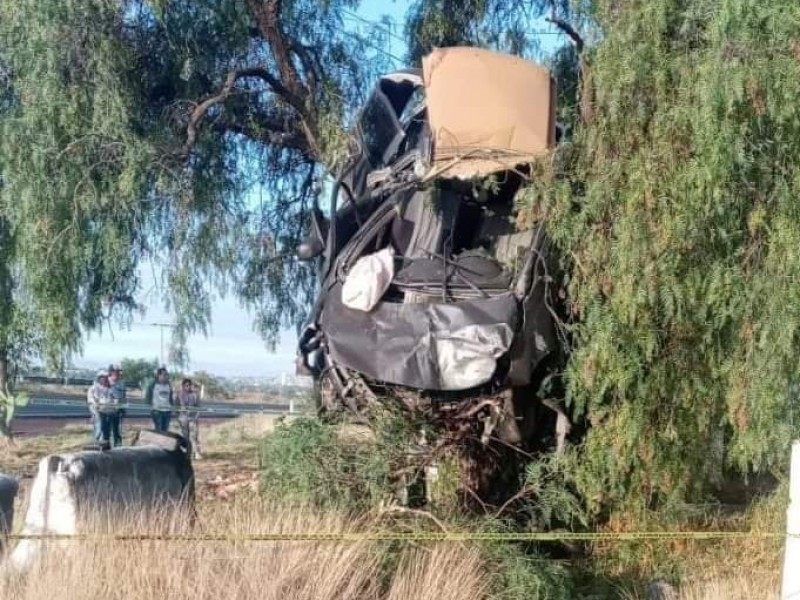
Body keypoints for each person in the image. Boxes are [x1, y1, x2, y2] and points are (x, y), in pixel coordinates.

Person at [87, 371, 119, 447]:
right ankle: (98, 445)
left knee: (106, 429)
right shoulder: (93, 388)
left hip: (108, 411)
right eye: (103, 377)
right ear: (99, 378)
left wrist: (115, 404)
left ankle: (106, 445)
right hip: (97, 411)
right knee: (99, 427)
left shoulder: (110, 389)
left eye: (105, 378)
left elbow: (115, 398)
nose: (104, 379)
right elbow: (91, 400)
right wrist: (96, 405)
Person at [176, 378, 202, 460]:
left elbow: (198, 407)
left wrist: (196, 417)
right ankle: (188, 453)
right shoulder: (179, 395)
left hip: (192, 418)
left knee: (194, 436)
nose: (188, 387)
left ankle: (197, 452)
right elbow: (176, 407)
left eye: (189, 385)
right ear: (183, 386)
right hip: (183, 418)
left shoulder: (194, 395)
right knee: (185, 437)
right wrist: (179, 417)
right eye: (186, 385)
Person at [145, 367, 173, 432]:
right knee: (158, 430)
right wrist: (152, 407)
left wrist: (171, 406)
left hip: (167, 411)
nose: (166, 376)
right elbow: (148, 397)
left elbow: (170, 397)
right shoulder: (152, 385)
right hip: (157, 411)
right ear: (159, 375)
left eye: (167, 375)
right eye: (164, 375)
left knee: (165, 430)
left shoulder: (169, 385)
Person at [107, 364, 126, 447]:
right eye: (116, 371)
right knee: (106, 431)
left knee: (117, 431)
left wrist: (123, 408)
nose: (118, 373)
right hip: (107, 410)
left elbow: (123, 396)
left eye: (119, 372)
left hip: (118, 410)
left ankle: (118, 447)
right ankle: (105, 447)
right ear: (111, 372)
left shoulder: (122, 383)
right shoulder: (106, 381)